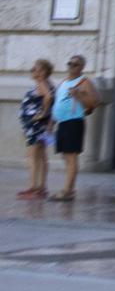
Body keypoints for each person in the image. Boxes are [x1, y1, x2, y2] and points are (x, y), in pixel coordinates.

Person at [48, 55, 99, 203]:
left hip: (74, 122)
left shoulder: (85, 82)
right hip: (62, 122)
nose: (71, 66)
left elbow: (94, 101)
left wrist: (79, 96)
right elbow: (57, 102)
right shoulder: (64, 82)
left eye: (75, 64)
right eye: (70, 63)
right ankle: (69, 188)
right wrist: (52, 121)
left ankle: (67, 191)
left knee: (71, 157)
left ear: (82, 67)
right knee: (65, 156)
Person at [17, 59, 55, 199]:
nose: (34, 71)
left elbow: (49, 97)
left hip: (36, 126)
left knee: (32, 156)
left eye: (37, 69)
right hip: (41, 125)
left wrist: (42, 112)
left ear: (43, 72)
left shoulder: (42, 83)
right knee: (42, 156)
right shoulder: (49, 84)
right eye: (33, 69)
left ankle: (33, 187)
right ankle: (41, 187)